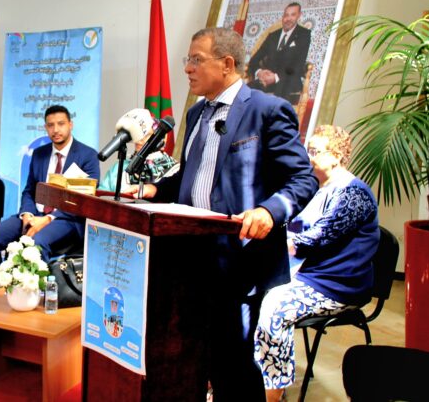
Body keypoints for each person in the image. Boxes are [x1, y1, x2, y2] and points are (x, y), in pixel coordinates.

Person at [132, 28, 317, 400]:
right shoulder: (196, 112)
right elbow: (194, 175)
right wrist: (154, 190)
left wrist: (269, 211)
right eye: (187, 59)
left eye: (196, 60)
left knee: (233, 364)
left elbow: (303, 177)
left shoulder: (266, 110)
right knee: (192, 357)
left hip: (239, 260)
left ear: (227, 64)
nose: (187, 68)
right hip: (189, 256)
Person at [0, 105, 100, 332]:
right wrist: (27, 213)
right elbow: (29, 191)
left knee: (36, 243)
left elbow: (85, 201)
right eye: (50, 125)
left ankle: (29, 313)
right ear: (45, 127)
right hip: (34, 214)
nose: (56, 130)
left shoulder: (87, 155)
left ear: (70, 125)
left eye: (61, 124)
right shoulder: (40, 154)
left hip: (65, 219)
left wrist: (48, 219)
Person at [254, 125, 379, 402]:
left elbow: (315, 238)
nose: (307, 157)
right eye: (306, 150)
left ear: (336, 156)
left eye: (314, 151)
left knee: (274, 307)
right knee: (243, 294)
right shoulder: (318, 188)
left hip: (336, 285)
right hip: (308, 274)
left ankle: (271, 392)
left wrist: (270, 238)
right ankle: (239, 379)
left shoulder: (353, 193)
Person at [246, 2, 311, 105]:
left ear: (299, 15)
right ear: (283, 17)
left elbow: (298, 66)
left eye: (293, 15)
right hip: (265, 81)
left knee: (277, 97)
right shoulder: (273, 36)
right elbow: (254, 60)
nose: (288, 19)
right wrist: (259, 72)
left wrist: (276, 77)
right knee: (246, 92)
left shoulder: (304, 34)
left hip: (288, 81)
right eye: (286, 15)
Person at [100, 108, 179, 192]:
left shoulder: (174, 169)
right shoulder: (119, 168)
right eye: (139, 135)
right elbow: (101, 194)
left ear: (159, 140)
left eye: (147, 135)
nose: (140, 140)